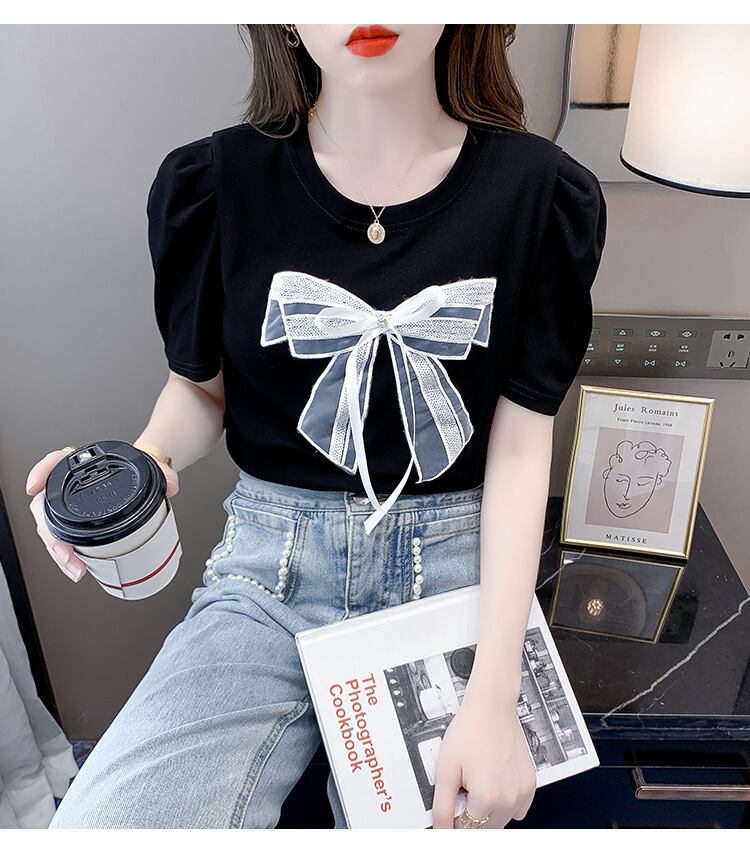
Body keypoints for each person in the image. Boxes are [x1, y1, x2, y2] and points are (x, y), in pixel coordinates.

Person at [28, 24, 606, 829]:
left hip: (459, 573)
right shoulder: (214, 184)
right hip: (271, 574)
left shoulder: (541, 192)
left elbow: (519, 443)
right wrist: (144, 462)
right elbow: (199, 393)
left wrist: (494, 692)